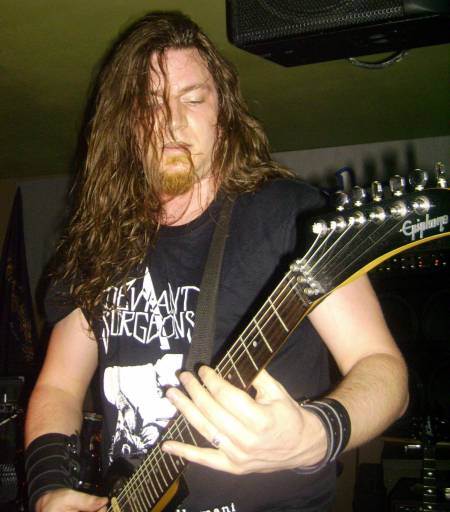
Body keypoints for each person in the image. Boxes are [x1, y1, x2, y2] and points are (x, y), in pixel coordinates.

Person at [24, 11, 408, 512]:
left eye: (193, 99)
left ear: (222, 114)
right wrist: (49, 488)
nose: (173, 122)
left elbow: (382, 369)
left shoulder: (290, 215)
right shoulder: (98, 244)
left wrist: (316, 435)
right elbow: (58, 385)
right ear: (125, 123)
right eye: (150, 104)